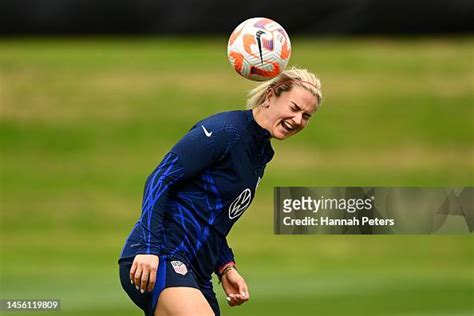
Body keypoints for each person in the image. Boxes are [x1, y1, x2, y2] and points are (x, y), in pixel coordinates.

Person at [118, 67, 323, 316]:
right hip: (160, 255)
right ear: (270, 96)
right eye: (294, 108)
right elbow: (160, 179)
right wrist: (149, 248)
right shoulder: (226, 131)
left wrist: (225, 266)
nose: (299, 120)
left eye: (307, 116)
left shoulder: (261, 154)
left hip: (197, 271)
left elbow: (214, 218)